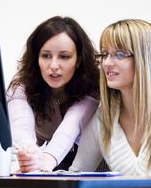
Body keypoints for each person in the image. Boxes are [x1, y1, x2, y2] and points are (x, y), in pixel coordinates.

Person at [70, 19, 151, 176]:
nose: (107, 63)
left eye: (120, 54)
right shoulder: (103, 117)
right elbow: (76, 176)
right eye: (104, 54)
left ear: (147, 59)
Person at [7, 16, 100, 173]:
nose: (53, 65)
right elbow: (20, 125)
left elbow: (72, 124)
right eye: (46, 55)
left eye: (64, 56)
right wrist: (30, 155)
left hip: (91, 168)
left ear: (78, 60)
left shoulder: (91, 82)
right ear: (36, 58)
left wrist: (45, 162)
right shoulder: (22, 82)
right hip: (46, 163)